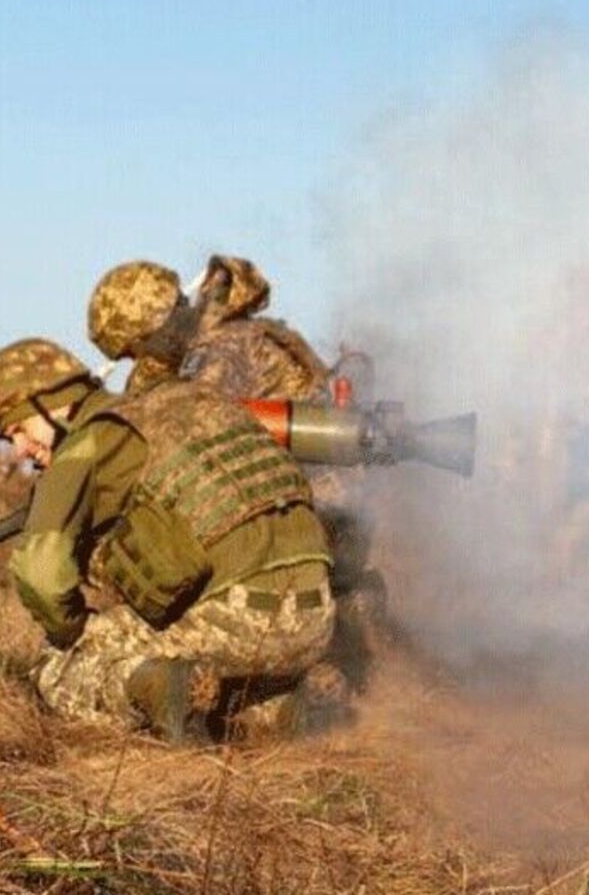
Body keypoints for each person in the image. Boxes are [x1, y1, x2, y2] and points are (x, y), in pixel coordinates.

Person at [0, 337, 338, 743]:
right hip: (317, 621)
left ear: (50, 402)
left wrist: (73, 632)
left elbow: (40, 572)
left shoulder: (86, 445)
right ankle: (275, 706)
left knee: (60, 668)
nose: (21, 450)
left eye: (19, 429)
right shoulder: (192, 399)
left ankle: (157, 688)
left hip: (238, 618)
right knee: (211, 657)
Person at [87, 255, 386, 690]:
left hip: (306, 520)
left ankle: (288, 662)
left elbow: (187, 439)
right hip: (337, 516)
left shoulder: (219, 352)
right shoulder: (262, 336)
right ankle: (345, 622)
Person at [87, 256, 329, 400]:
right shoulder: (193, 348)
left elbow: (182, 423)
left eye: (134, 352)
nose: (140, 360)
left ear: (154, 333)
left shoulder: (227, 348)